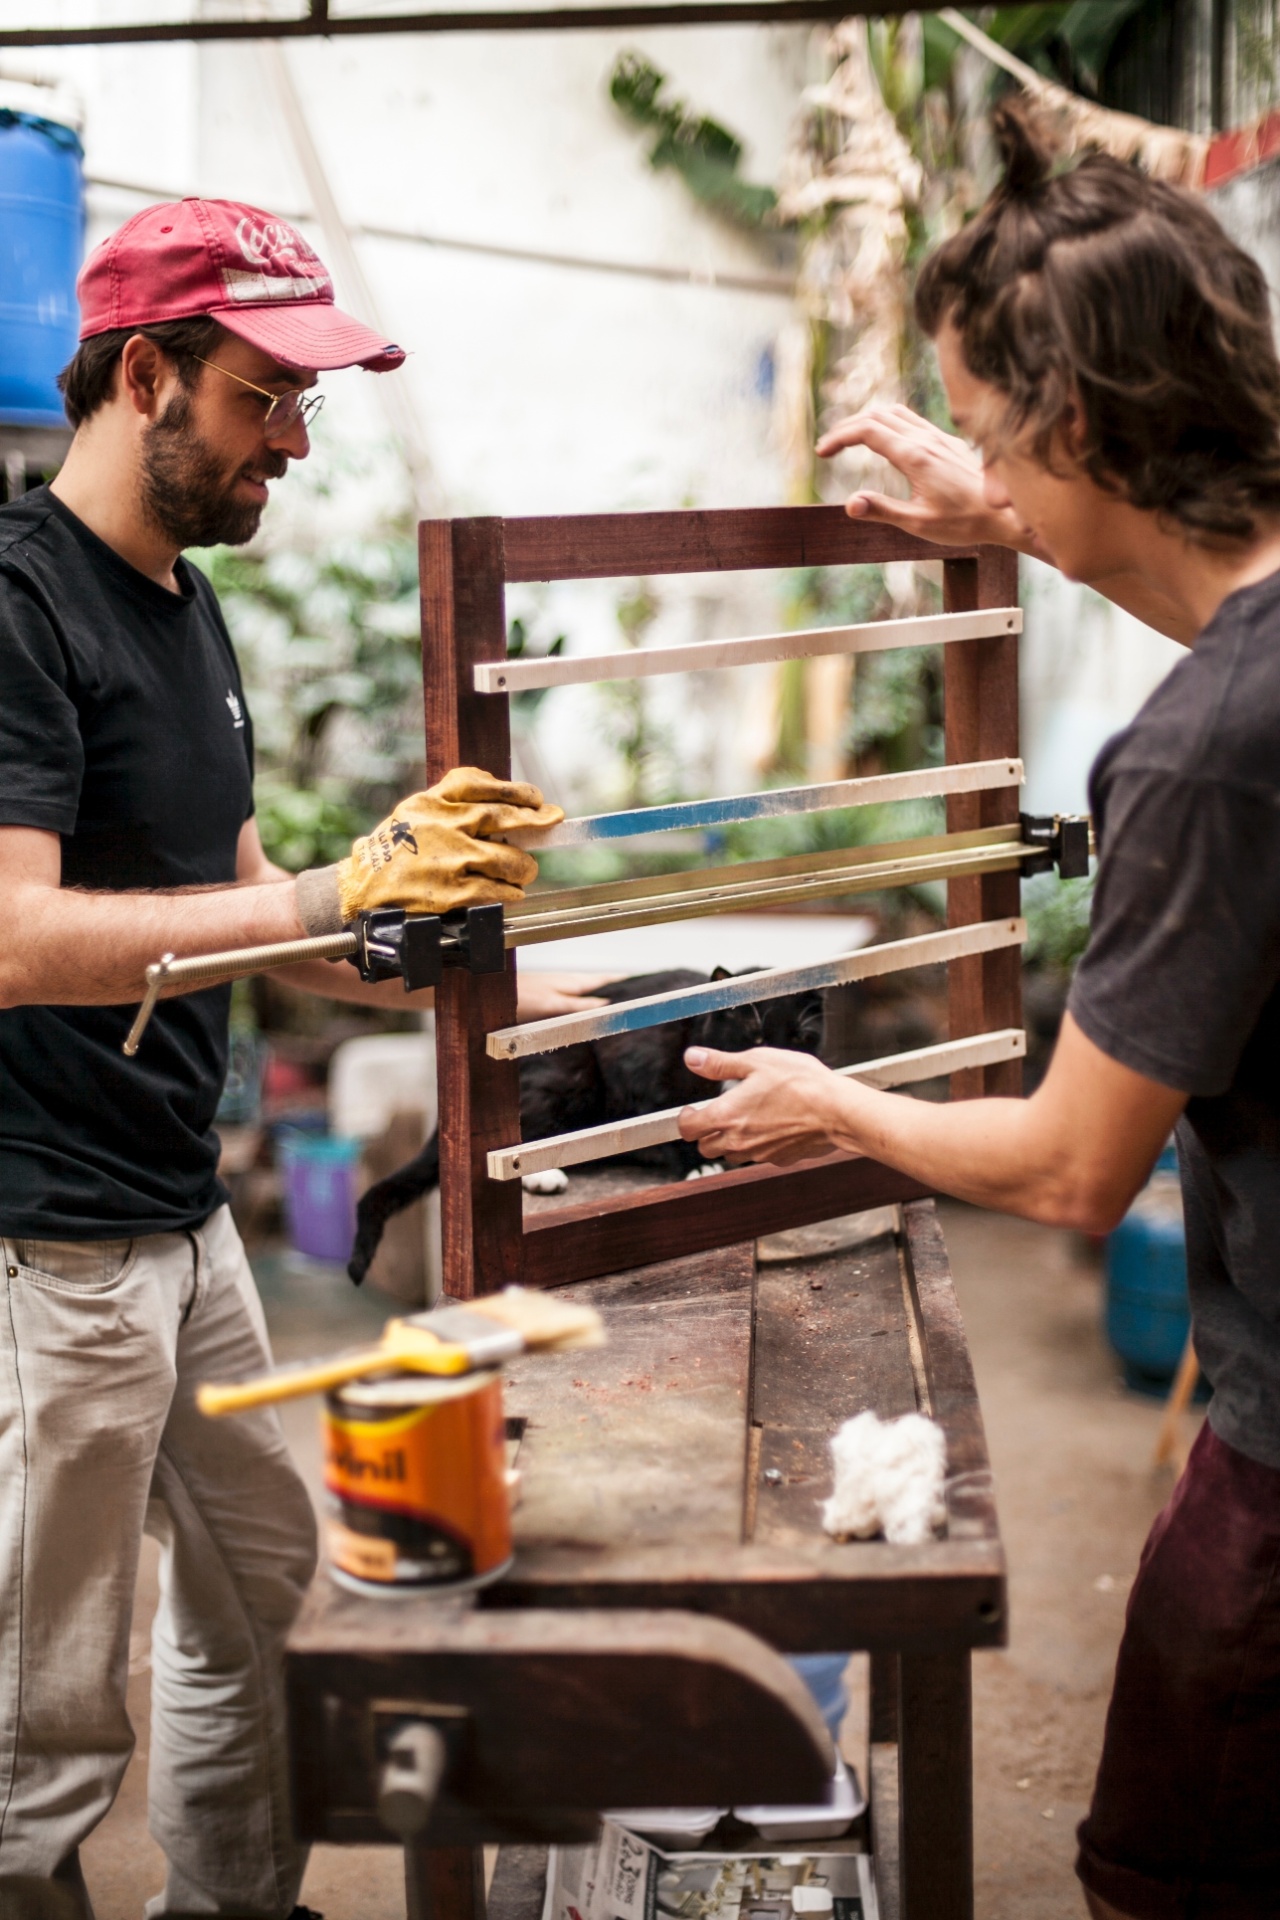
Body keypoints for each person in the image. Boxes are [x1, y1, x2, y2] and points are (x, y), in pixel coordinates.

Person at [680, 107, 1280, 1920]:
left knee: (1163, 1872)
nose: (988, 468)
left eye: (1001, 434)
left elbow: (1073, 1171)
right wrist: (1015, 515)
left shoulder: (1198, 762)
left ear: (1083, 427)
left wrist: (829, 1102)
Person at [0, 198, 601, 1918]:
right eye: (264, 399)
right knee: (39, 1728)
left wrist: (461, 959)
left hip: (181, 1223)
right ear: (144, 376)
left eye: (305, 403)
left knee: (266, 1614)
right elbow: (14, 940)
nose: (294, 443)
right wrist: (330, 892)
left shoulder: (185, 607)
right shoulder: (19, 607)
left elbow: (247, 907)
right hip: (51, 1252)